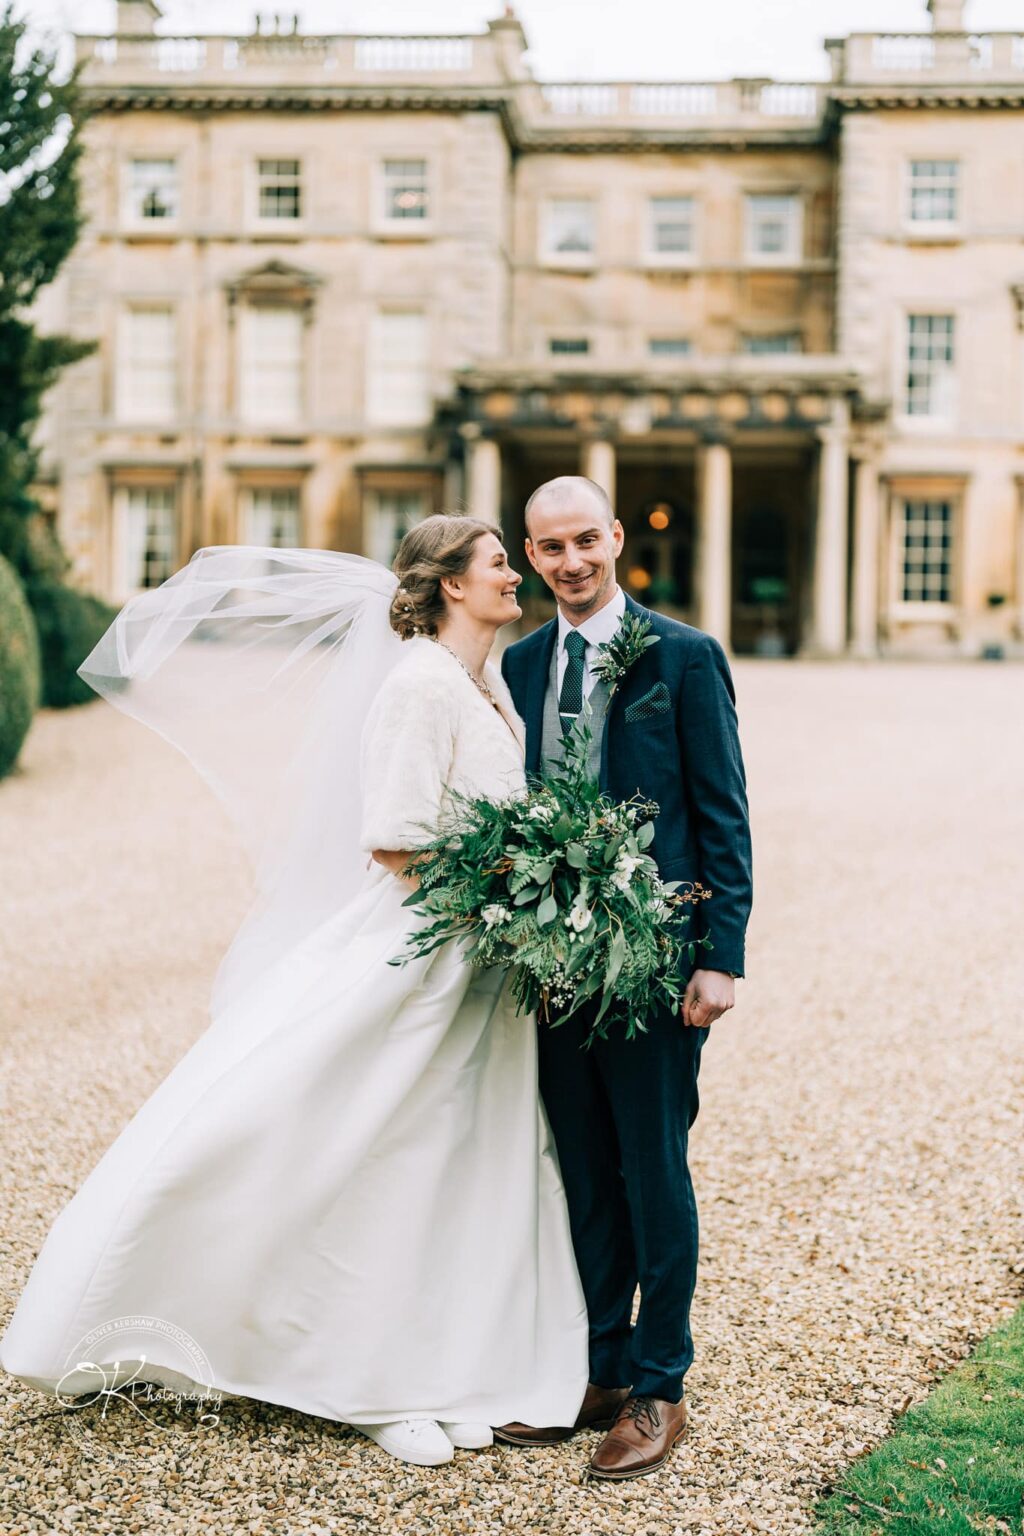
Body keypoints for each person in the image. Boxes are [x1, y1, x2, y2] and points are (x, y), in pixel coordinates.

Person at [0, 515, 589, 1468]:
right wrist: (518, 883)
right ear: (449, 584)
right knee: (364, 1146)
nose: (515, 576)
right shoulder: (417, 685)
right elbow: (398, 844)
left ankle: (441, 1365)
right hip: (420, 954)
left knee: (453, 1159)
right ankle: (357, 1380)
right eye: (498, 564)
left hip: (482, 963)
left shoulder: (485, 686)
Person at [498, 476, 754, 1481]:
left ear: (614, 538)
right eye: (548, 548)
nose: (569, 562)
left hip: (656, 960)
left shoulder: (683, 656)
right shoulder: (518, 666)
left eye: (583, 542)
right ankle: (599, 1369)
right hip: (551, 966)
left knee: (653, 1170)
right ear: (528, 555)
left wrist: (720, 953)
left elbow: (722, 809)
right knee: (583, 1172)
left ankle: (659, 1386)